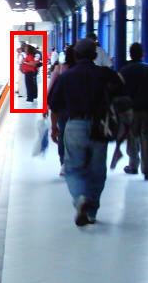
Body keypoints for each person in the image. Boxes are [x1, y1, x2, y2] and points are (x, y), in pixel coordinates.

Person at [48, 38, 125, 226]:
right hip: (100, 126)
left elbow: (54, 105)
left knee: (74, 168)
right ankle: (91, 211)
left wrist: (54, 127)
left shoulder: (66, 76)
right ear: (95, 55)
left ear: (75, 55)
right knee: (97, 170)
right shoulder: (106, 74)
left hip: (75, 124)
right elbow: (122, 95)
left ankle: (80, 198)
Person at [119, 42, 148, 180]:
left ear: (130, 54)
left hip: (130, 111)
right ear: (142, 54)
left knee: (132, 138)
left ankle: (133, 165)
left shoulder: (124, 71)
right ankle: (147, 170)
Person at [47, 44, 76, 175]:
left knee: (63, 134)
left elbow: (51, 87)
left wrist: (47, 106)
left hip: (62, 107)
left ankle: (64, 163)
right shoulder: (82, 70)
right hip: (78, 108)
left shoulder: (59, 68)